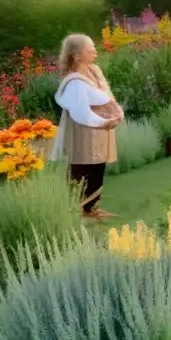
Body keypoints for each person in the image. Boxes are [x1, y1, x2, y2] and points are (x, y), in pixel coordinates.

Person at [49, 34, 124, 219]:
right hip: (83, 128)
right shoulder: (74, 80)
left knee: (98, 165)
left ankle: (93, 208)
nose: (94, 50)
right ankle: (78, 209)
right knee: (82, 165)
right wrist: (104, 122)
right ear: (76, 54)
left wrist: (117, 111)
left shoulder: (95, 70)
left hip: (102, 128)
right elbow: (81, 111)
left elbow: (107, 95)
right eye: (89, 48)